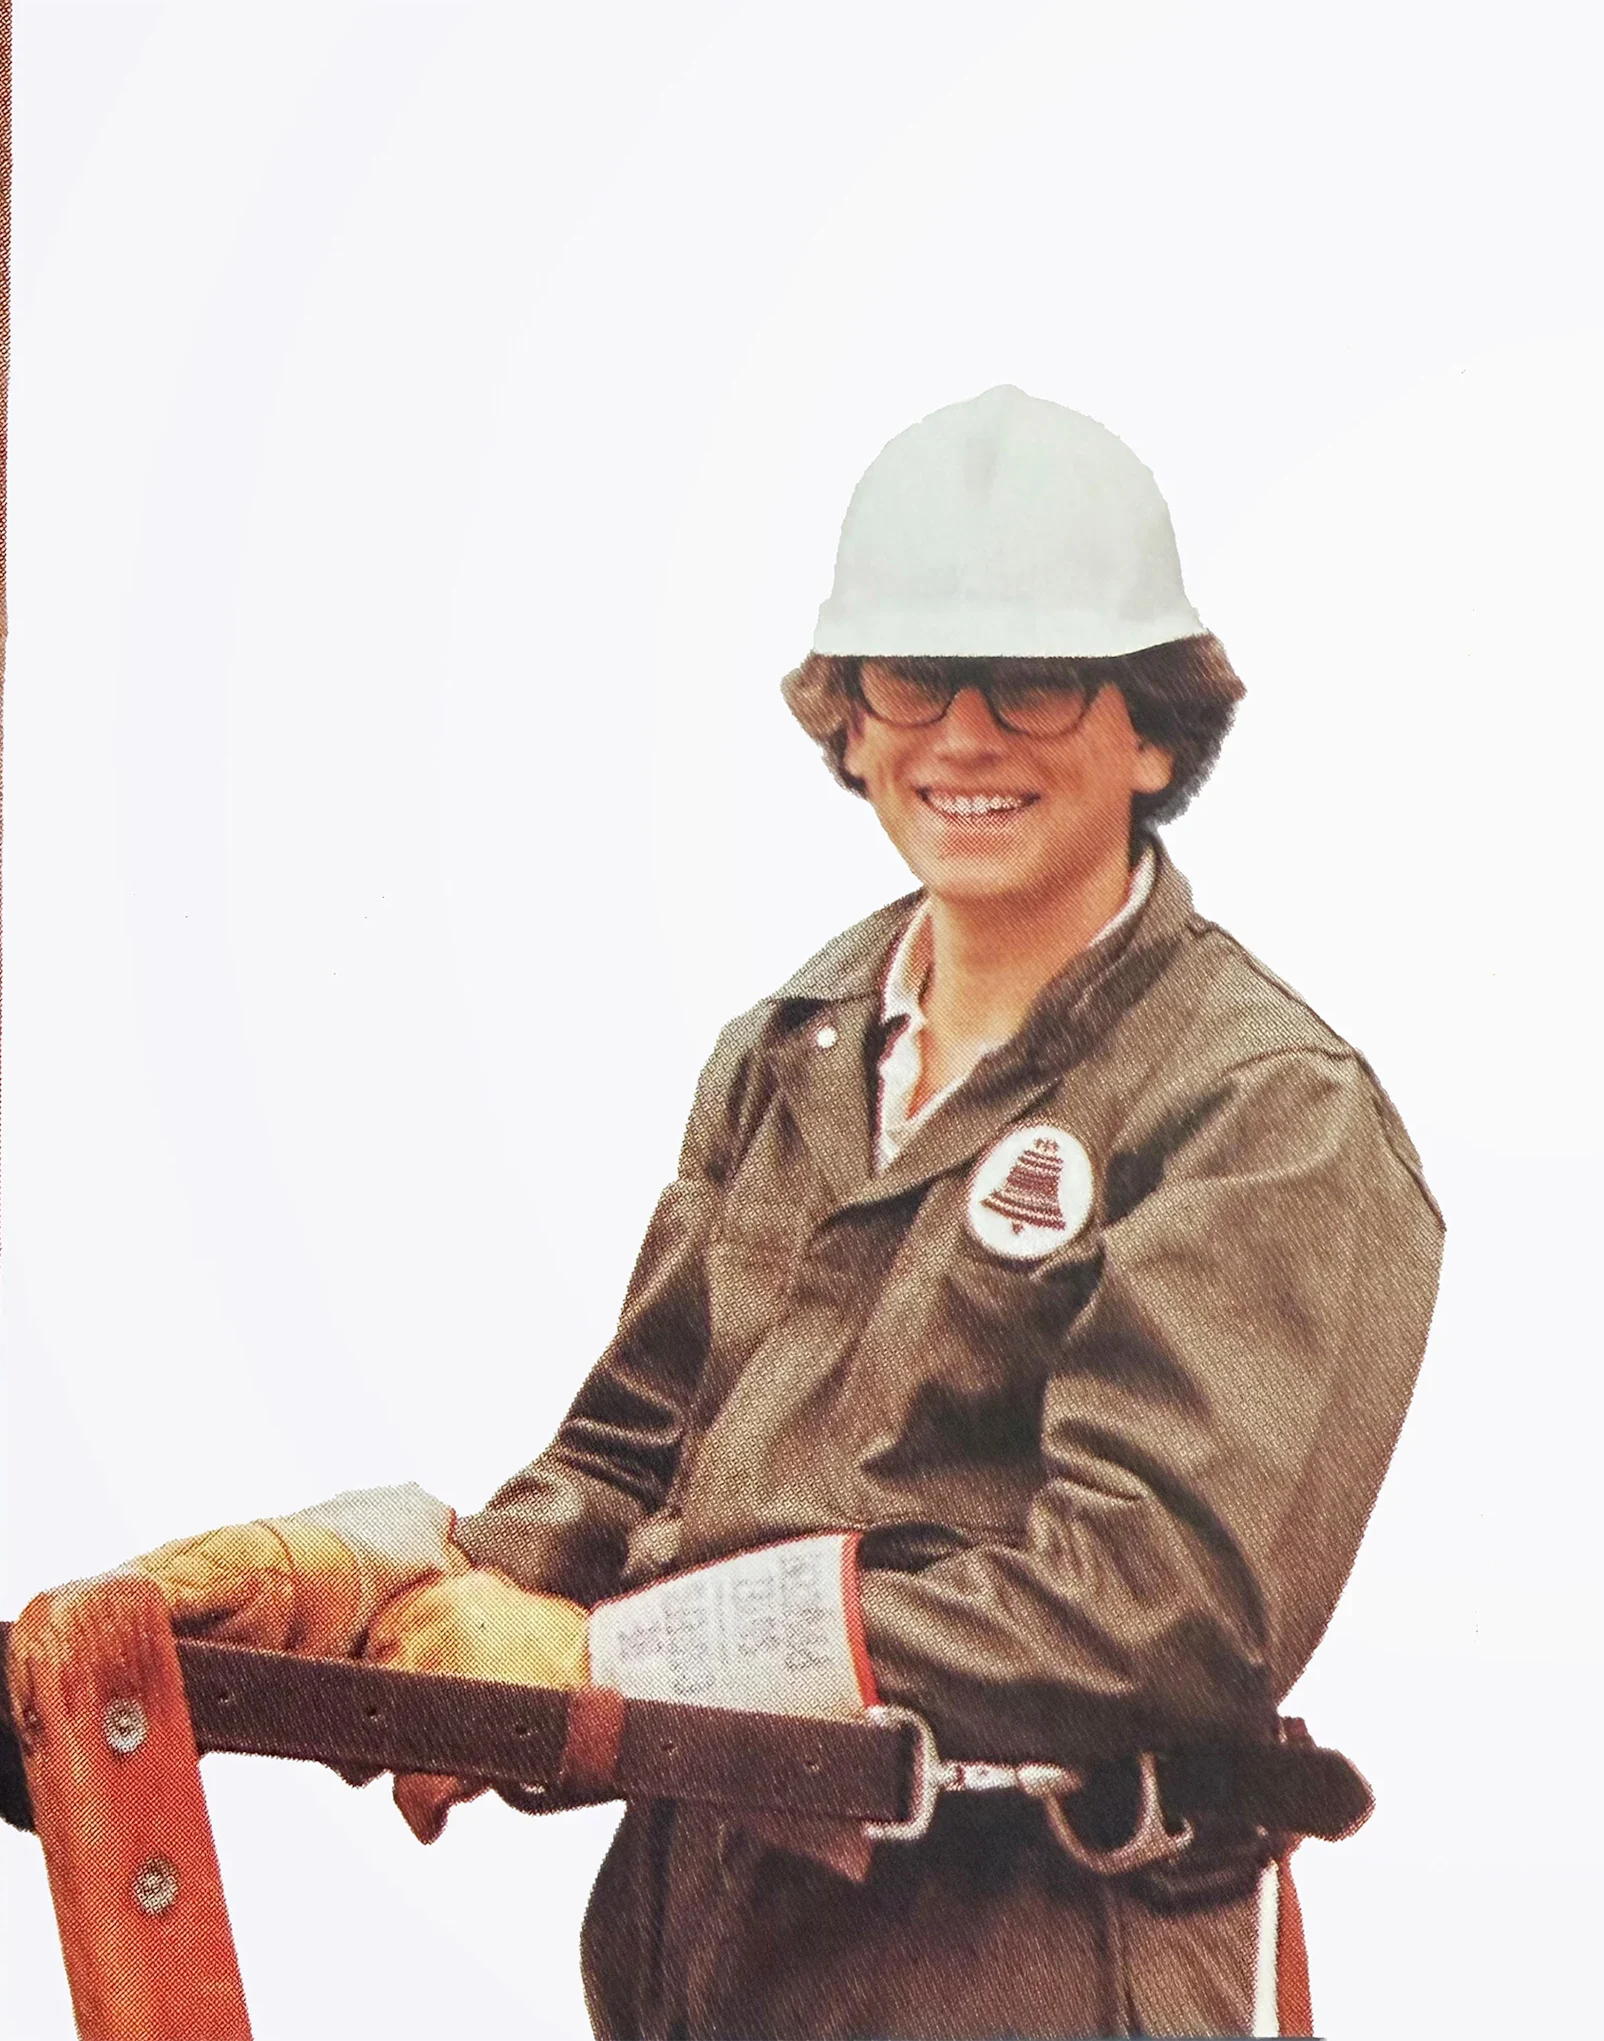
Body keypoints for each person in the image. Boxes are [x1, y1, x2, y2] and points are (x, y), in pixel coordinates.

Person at [129, 387, 1444, 2038]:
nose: (965, 737)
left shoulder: (1262, 1111)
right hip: (708, 1946)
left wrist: (605, 1672)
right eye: (913, 679)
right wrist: (381, 1577)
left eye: (1036, 683)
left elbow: (1145, 1611)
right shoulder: (789, 1052)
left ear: (1154, 732)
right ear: (852, 722)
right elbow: (628, 1465)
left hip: (1035, 1963)